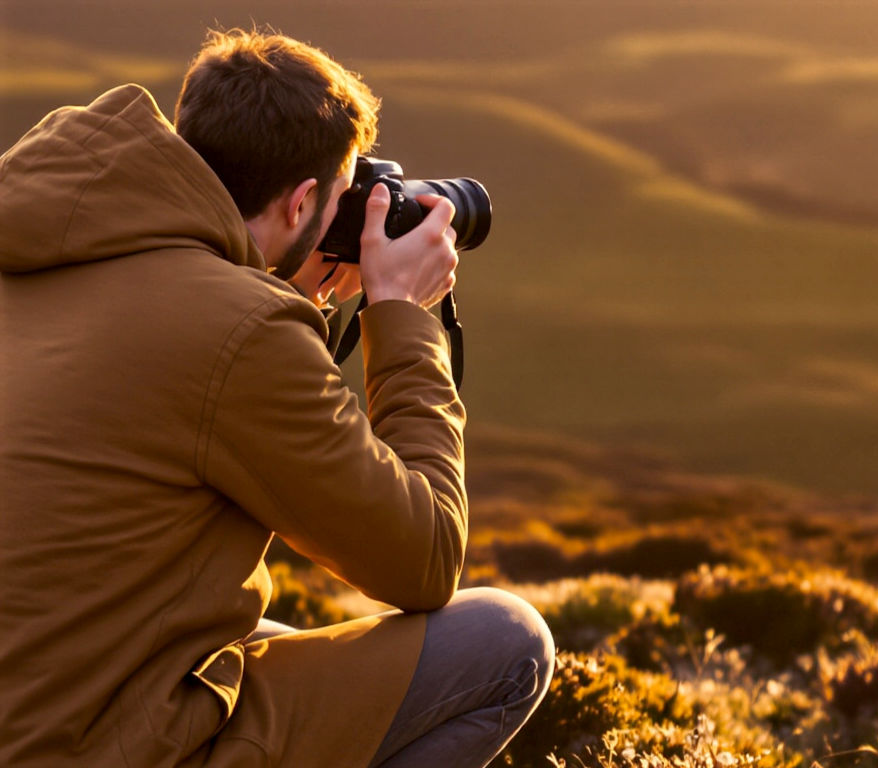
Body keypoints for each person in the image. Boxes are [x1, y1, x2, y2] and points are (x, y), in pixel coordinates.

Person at [0, 29, 554, 768]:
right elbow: (423, 559)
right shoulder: (238, 330)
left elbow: (196, 400)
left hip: (41, 691)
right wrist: (402, 315)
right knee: (505, 642)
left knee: (272, 639)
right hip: (78, 744)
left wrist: (294, 297)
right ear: (299, 204)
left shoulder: (44, 243)